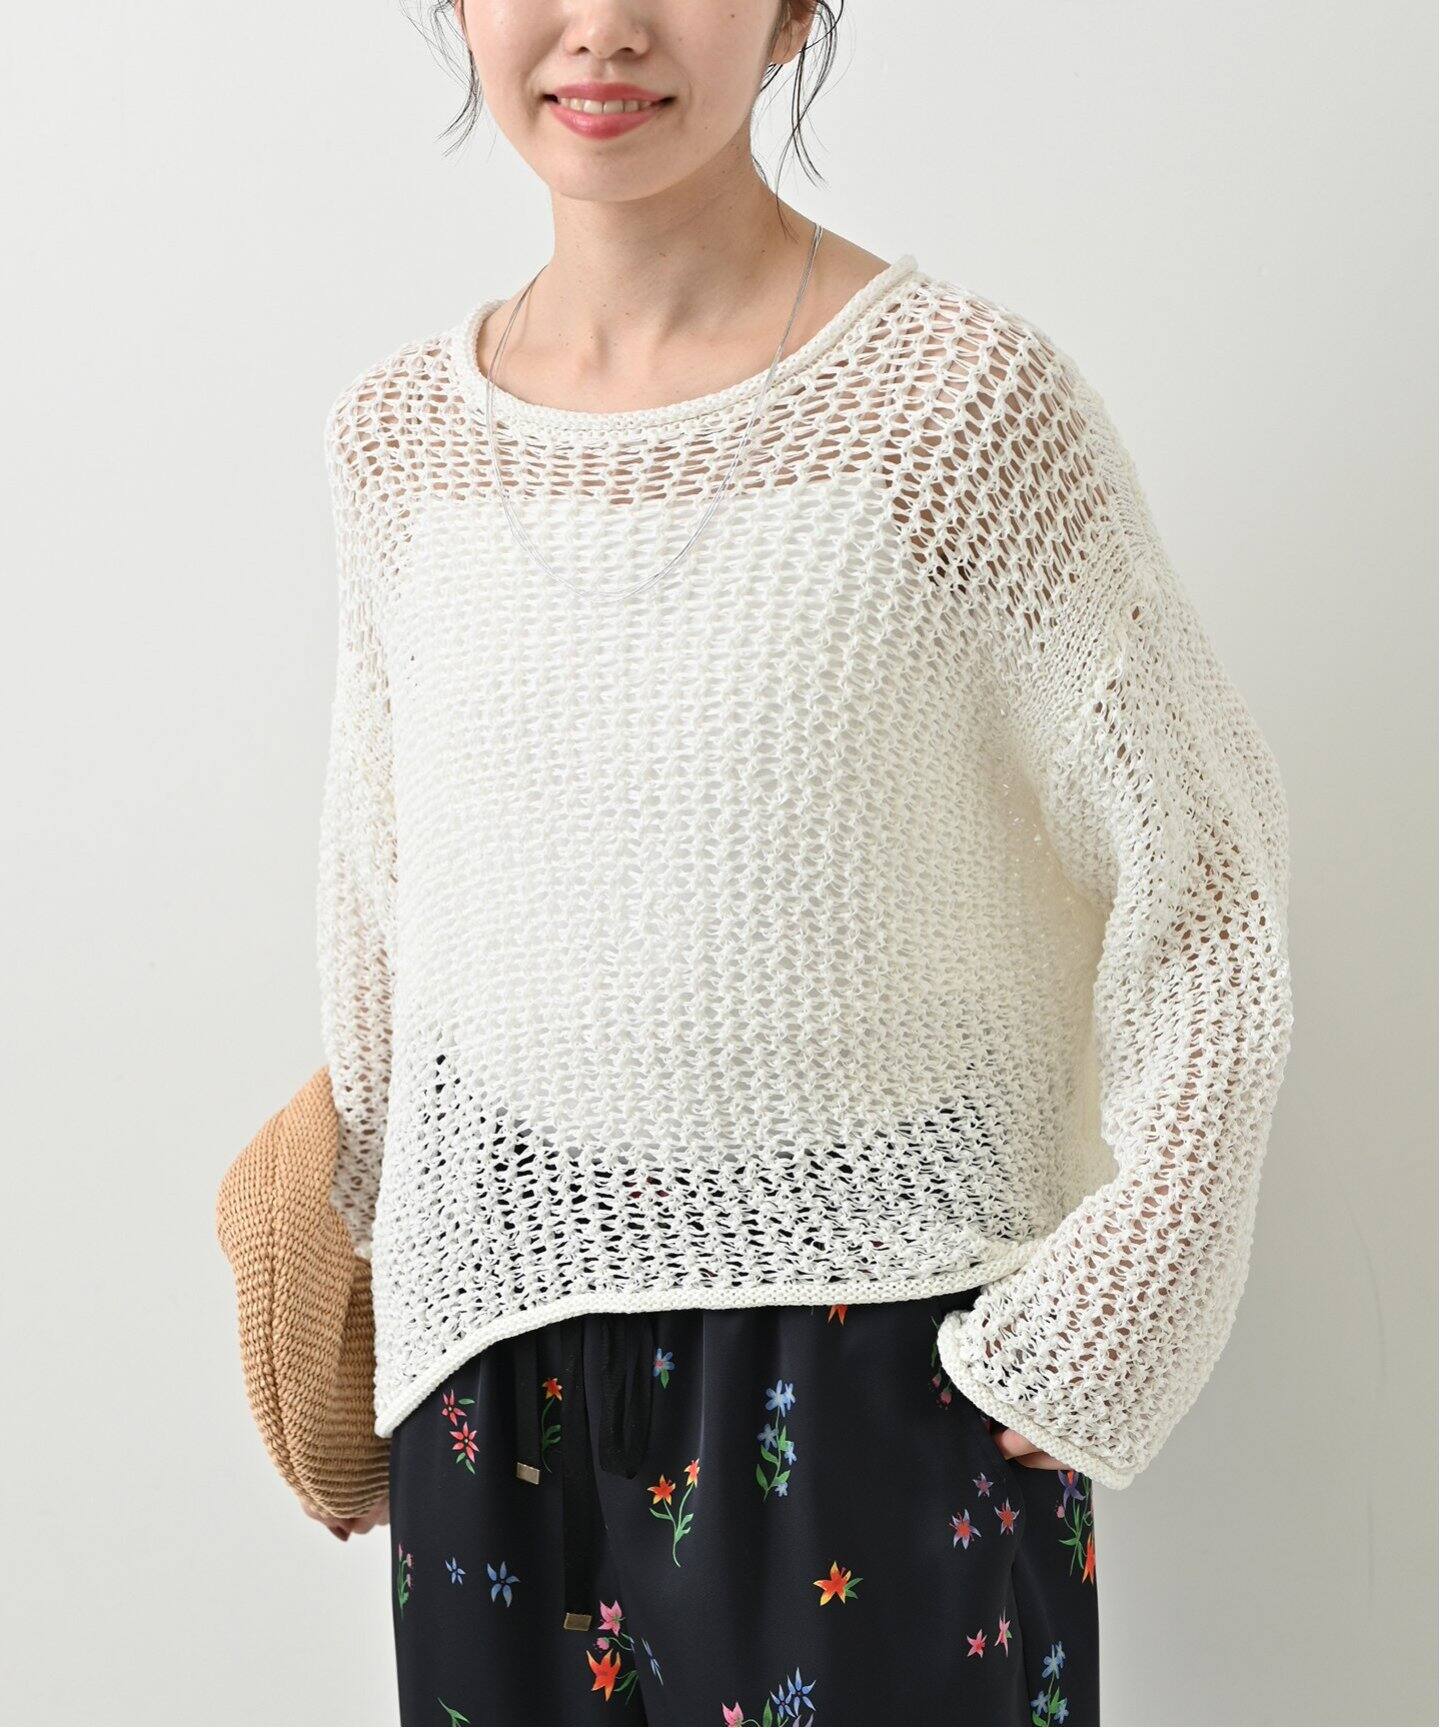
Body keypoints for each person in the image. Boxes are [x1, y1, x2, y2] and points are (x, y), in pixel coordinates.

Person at [307, 3, 1295, 1724]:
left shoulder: (960, 411)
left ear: (791, 17)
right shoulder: (399, 441)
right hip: (495, 1372)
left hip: (876, 1360)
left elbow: (1209, 887)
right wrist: (357, 1277)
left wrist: (1131, 1289)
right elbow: (384, 906)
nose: (603, 28)